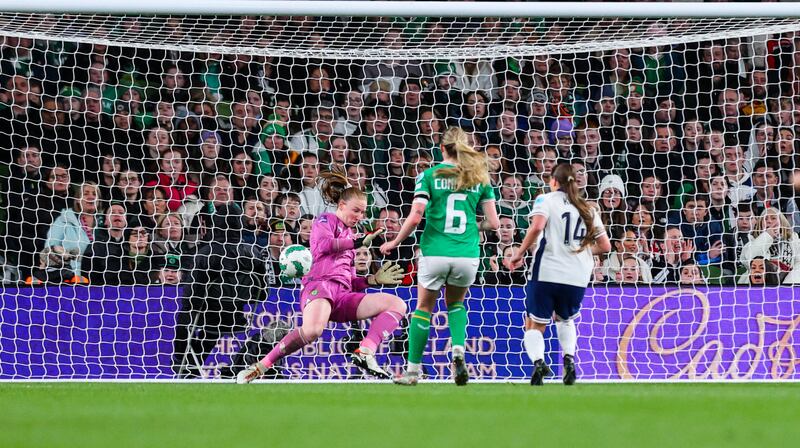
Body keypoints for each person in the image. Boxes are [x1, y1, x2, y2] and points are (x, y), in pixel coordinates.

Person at [237, 169, 407, 384]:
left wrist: (371, 280)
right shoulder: (325, 221)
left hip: (342, 296)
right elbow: (324, 246)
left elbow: (350, 282)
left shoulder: (351, 237)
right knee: (313, 331)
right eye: (356, 210)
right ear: (342, 206)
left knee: (397, 304)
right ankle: (261, 366)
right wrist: (357, 242)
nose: (359, 216)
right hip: (320, 287)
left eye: (363, 212)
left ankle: (365, 351)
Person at [381, 127, 500, 386]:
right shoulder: (479, 177)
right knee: (456, 305)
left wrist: (395, 240)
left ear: (441, 147)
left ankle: (413, 372)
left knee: (423, 308)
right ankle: (458, 351)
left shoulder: (428, 176)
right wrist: (472, 226)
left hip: (434, 251)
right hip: (466, 254)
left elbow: (415, 216)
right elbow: (493, 223)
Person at [505, 163, 611, 386]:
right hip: (577, 276)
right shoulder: (588, 208)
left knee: (533, 323)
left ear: (554, 181)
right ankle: (569, 360)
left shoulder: (546, 199)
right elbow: (605, 246)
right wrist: (578, 250)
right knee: (566, 319)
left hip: (548, 271)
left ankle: (538, 362)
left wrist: (518, 254)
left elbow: (536, 227)